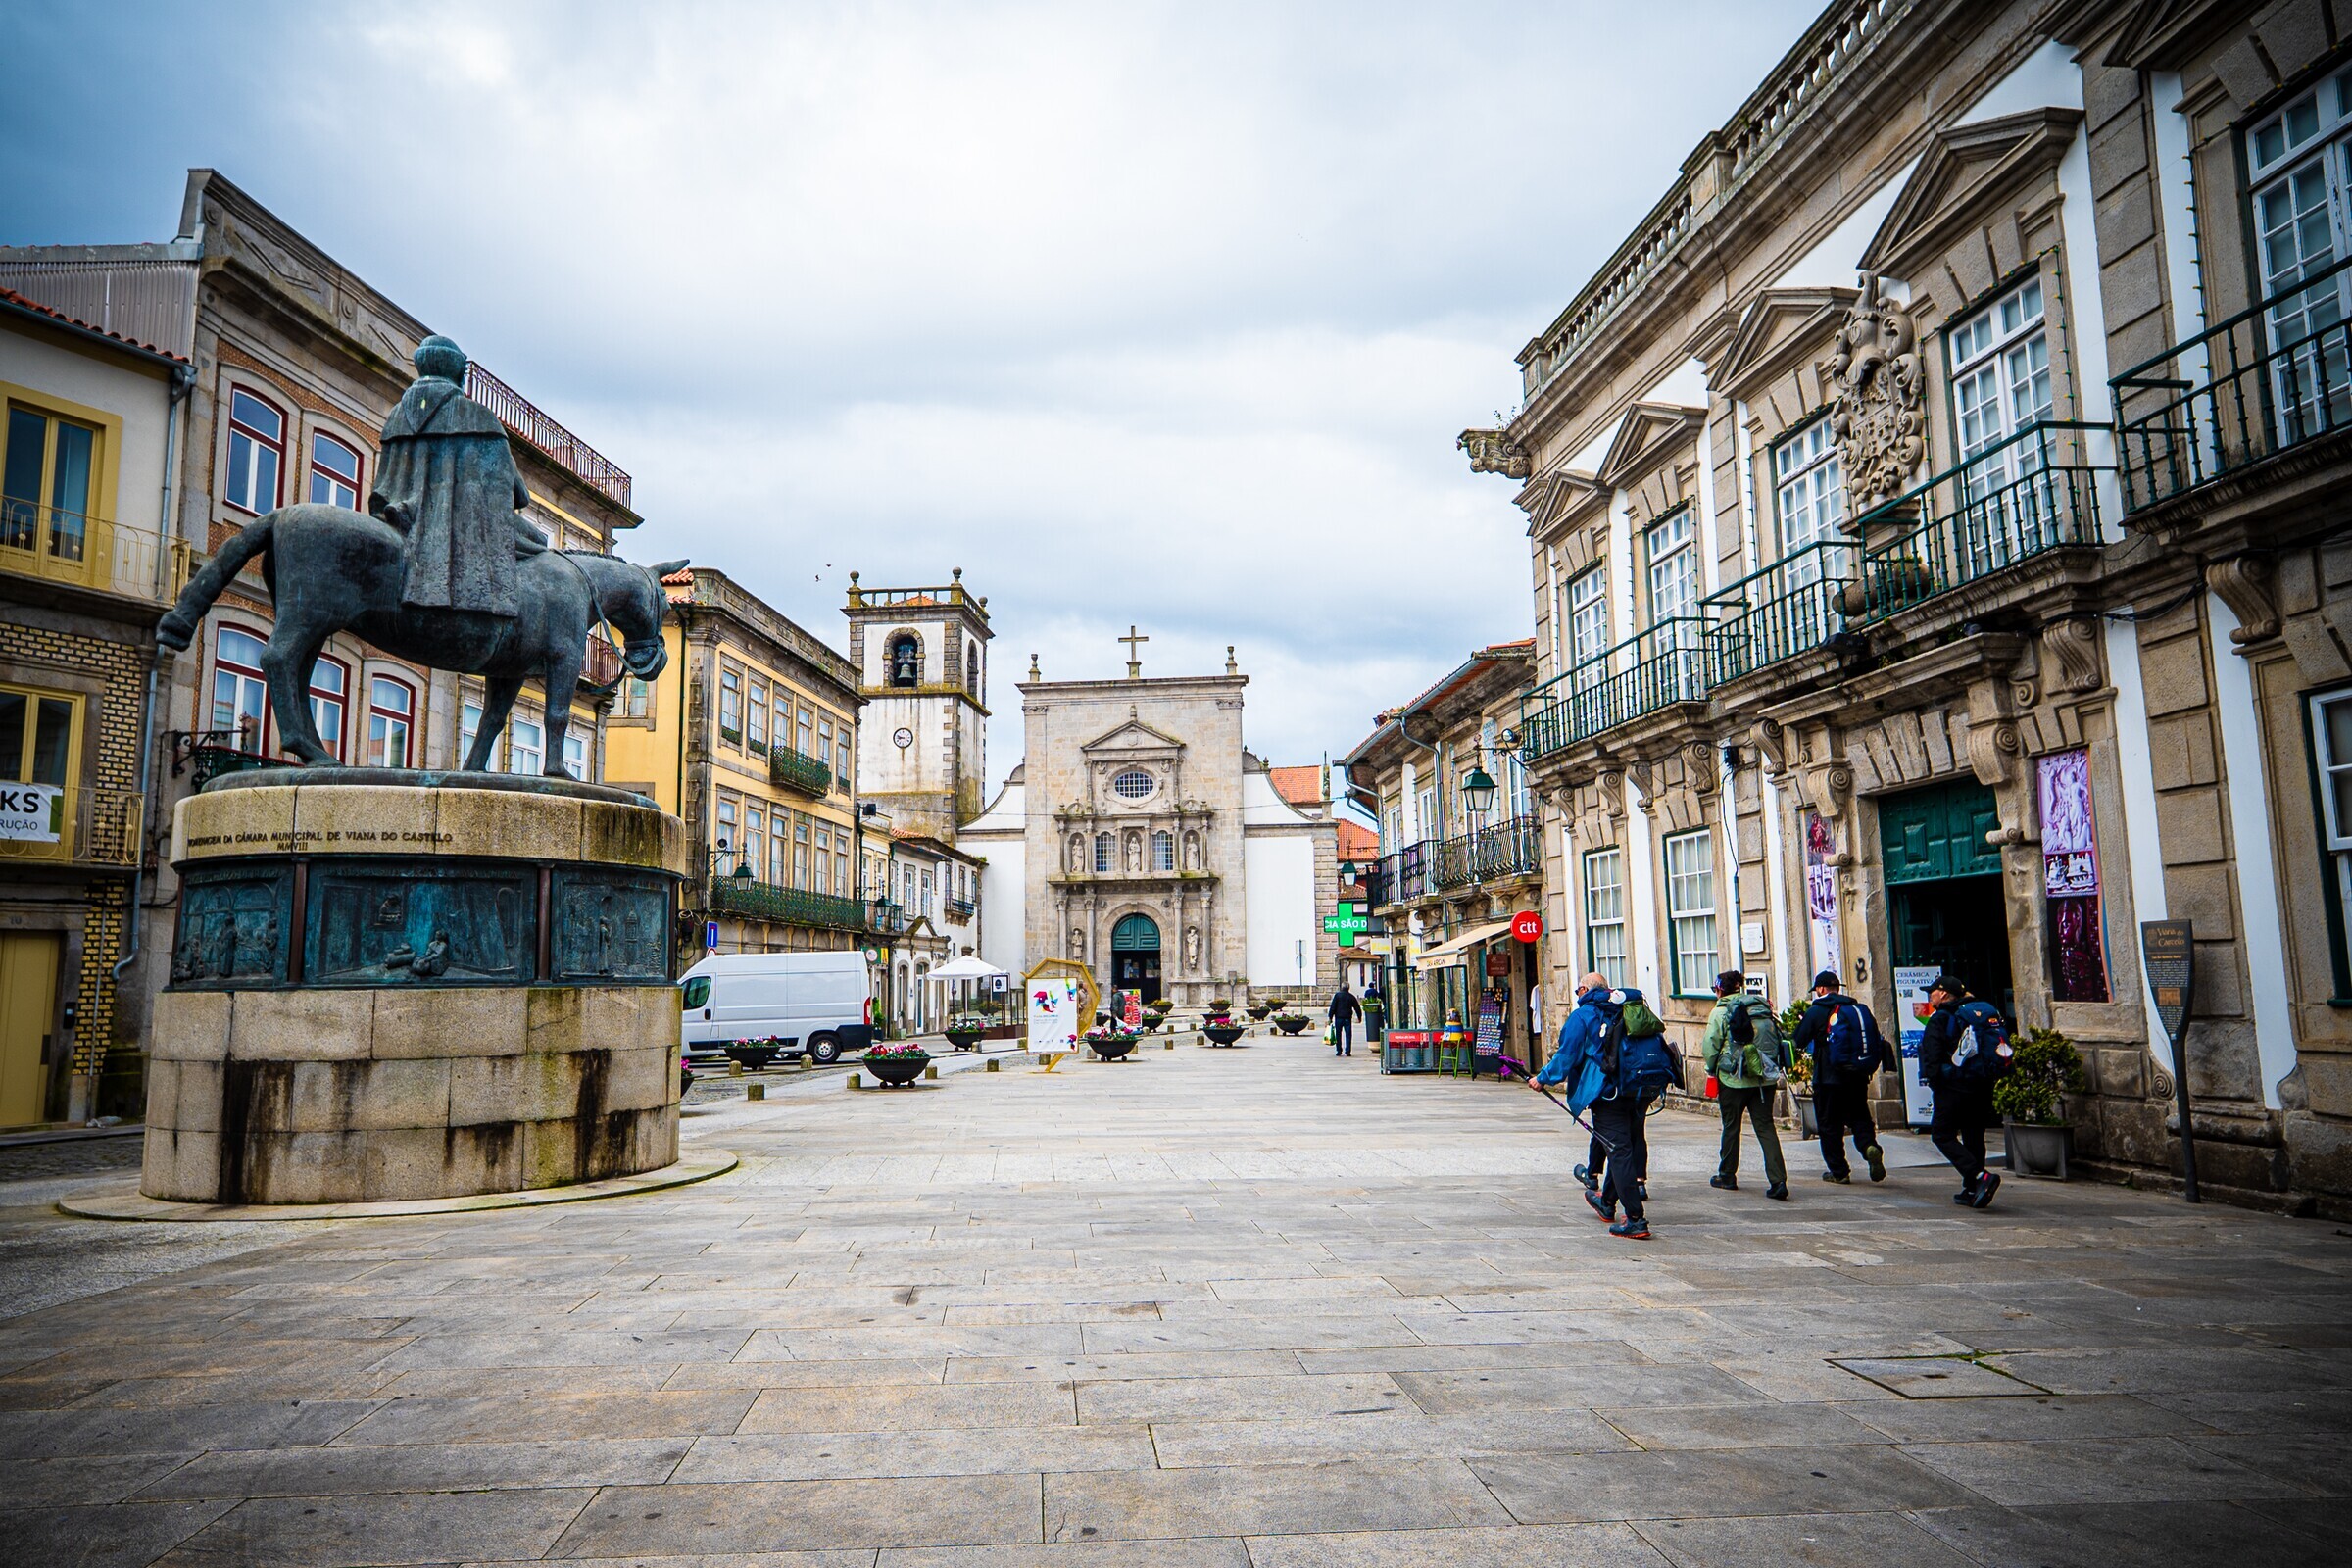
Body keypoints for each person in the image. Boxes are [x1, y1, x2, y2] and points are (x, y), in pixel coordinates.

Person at [369, 336, 547, 618]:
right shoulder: (478, 417)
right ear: (459, 373)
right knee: (538, 543)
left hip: (404, 517)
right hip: (462, 524)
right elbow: (518, 495)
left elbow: (383, 486)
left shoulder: (395, 419)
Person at [1536, 971, 1651, 1240]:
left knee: (1618, 1150)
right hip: (1639, 1089)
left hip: (1608, 1092)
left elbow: (1567, 1055)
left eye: (1578, 990)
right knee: (1623, 1145)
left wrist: (1542, 1078)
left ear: (1584, 989)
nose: (1577, 995)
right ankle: (1607, 1202)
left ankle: (1636, 1219)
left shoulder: (1583, 1015)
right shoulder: (1627, 1006)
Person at [1790, 969, 1895, 1184]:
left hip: (1828, 1078)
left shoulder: (1817, 1010)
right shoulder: (1856, 1008)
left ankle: (1839, 1171)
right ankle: (1869, 1147)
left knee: (1830, 1124)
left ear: (1820, 989)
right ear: (1838, 988)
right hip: (1857, 1077)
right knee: (1860, 1117)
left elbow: (1798, 1040)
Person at [1701, 970, 1788, 1200]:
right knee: (1765, 1127)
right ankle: (1778, 1180)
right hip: (1763, 1079)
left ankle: (1727, 1175)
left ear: (1720, 990)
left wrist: (1711, 1069)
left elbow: (1711, 1046)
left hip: (1732, 1079)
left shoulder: (1720, 1012)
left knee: (1731, 1127)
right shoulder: (1760, 1007)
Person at [1918, 972, 2004, 1209]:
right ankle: (1972, 1189)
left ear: (1943, 993)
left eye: (1932, 992)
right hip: (1981, 1084)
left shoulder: (1941, 1018)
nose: (1930, 996)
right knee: (1974, 1134)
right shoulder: (1978, 1013)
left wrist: (1936, 1083)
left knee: (1942, 1134)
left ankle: (1979, 1176)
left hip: (1953, 1086)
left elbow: (1932, 1058)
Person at [1329, 981, 1361, 1056]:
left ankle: (1339, 1050)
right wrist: (1359, 1017)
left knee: (1338, 1034)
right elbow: (1357, 1007)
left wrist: (1330, 1017)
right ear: (1348, 988)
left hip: (1338, 1018)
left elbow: (1333, 1007)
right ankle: (1348, 1051)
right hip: (1347, 1018)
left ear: (1341, 987)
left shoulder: (1337, 996)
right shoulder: (1351, 996)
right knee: (1348, 1035)